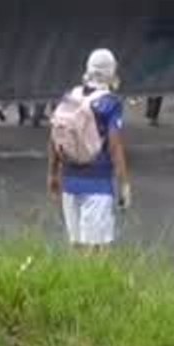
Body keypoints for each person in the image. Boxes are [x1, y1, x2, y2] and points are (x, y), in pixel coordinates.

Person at [47, 49, 132, 250]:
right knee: (97, 252)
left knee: (77, 249)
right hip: (98, 185)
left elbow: (54, 137)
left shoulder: (70, 97)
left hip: (69, 184)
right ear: (111, 71)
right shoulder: (110, 103)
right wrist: (124, 184)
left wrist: (52, 174)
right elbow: (115, 146)